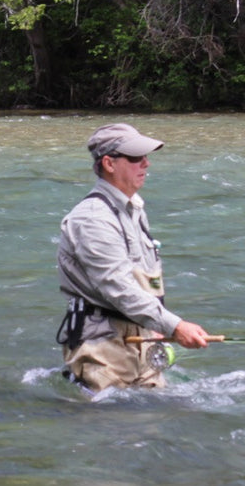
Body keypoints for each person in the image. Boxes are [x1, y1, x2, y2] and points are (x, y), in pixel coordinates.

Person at [56, 122, 214, 391]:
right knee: (117, 426)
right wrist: (174, 326)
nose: (146, 164)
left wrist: (156, 325)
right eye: (135, 158)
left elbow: (143, 277)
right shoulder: (93, 219)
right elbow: (117, 288)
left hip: (141, 338)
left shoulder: (134, 208)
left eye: (145, 157)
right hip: (102, 346)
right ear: (109, 163)